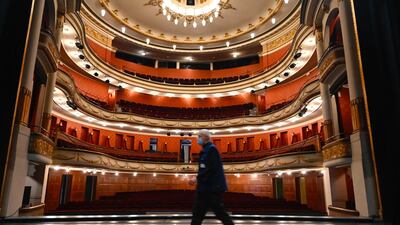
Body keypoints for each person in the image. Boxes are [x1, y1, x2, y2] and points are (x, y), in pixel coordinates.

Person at [190, 129, 234, 225]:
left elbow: (211, 169)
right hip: (205, 188)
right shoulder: (205, 150)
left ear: (205, 137)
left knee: (219, 213)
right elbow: (205, 169)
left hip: (211, 189)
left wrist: (197, 179)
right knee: (198, 214)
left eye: (199, 136)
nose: (197, 139)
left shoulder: (211, 149)